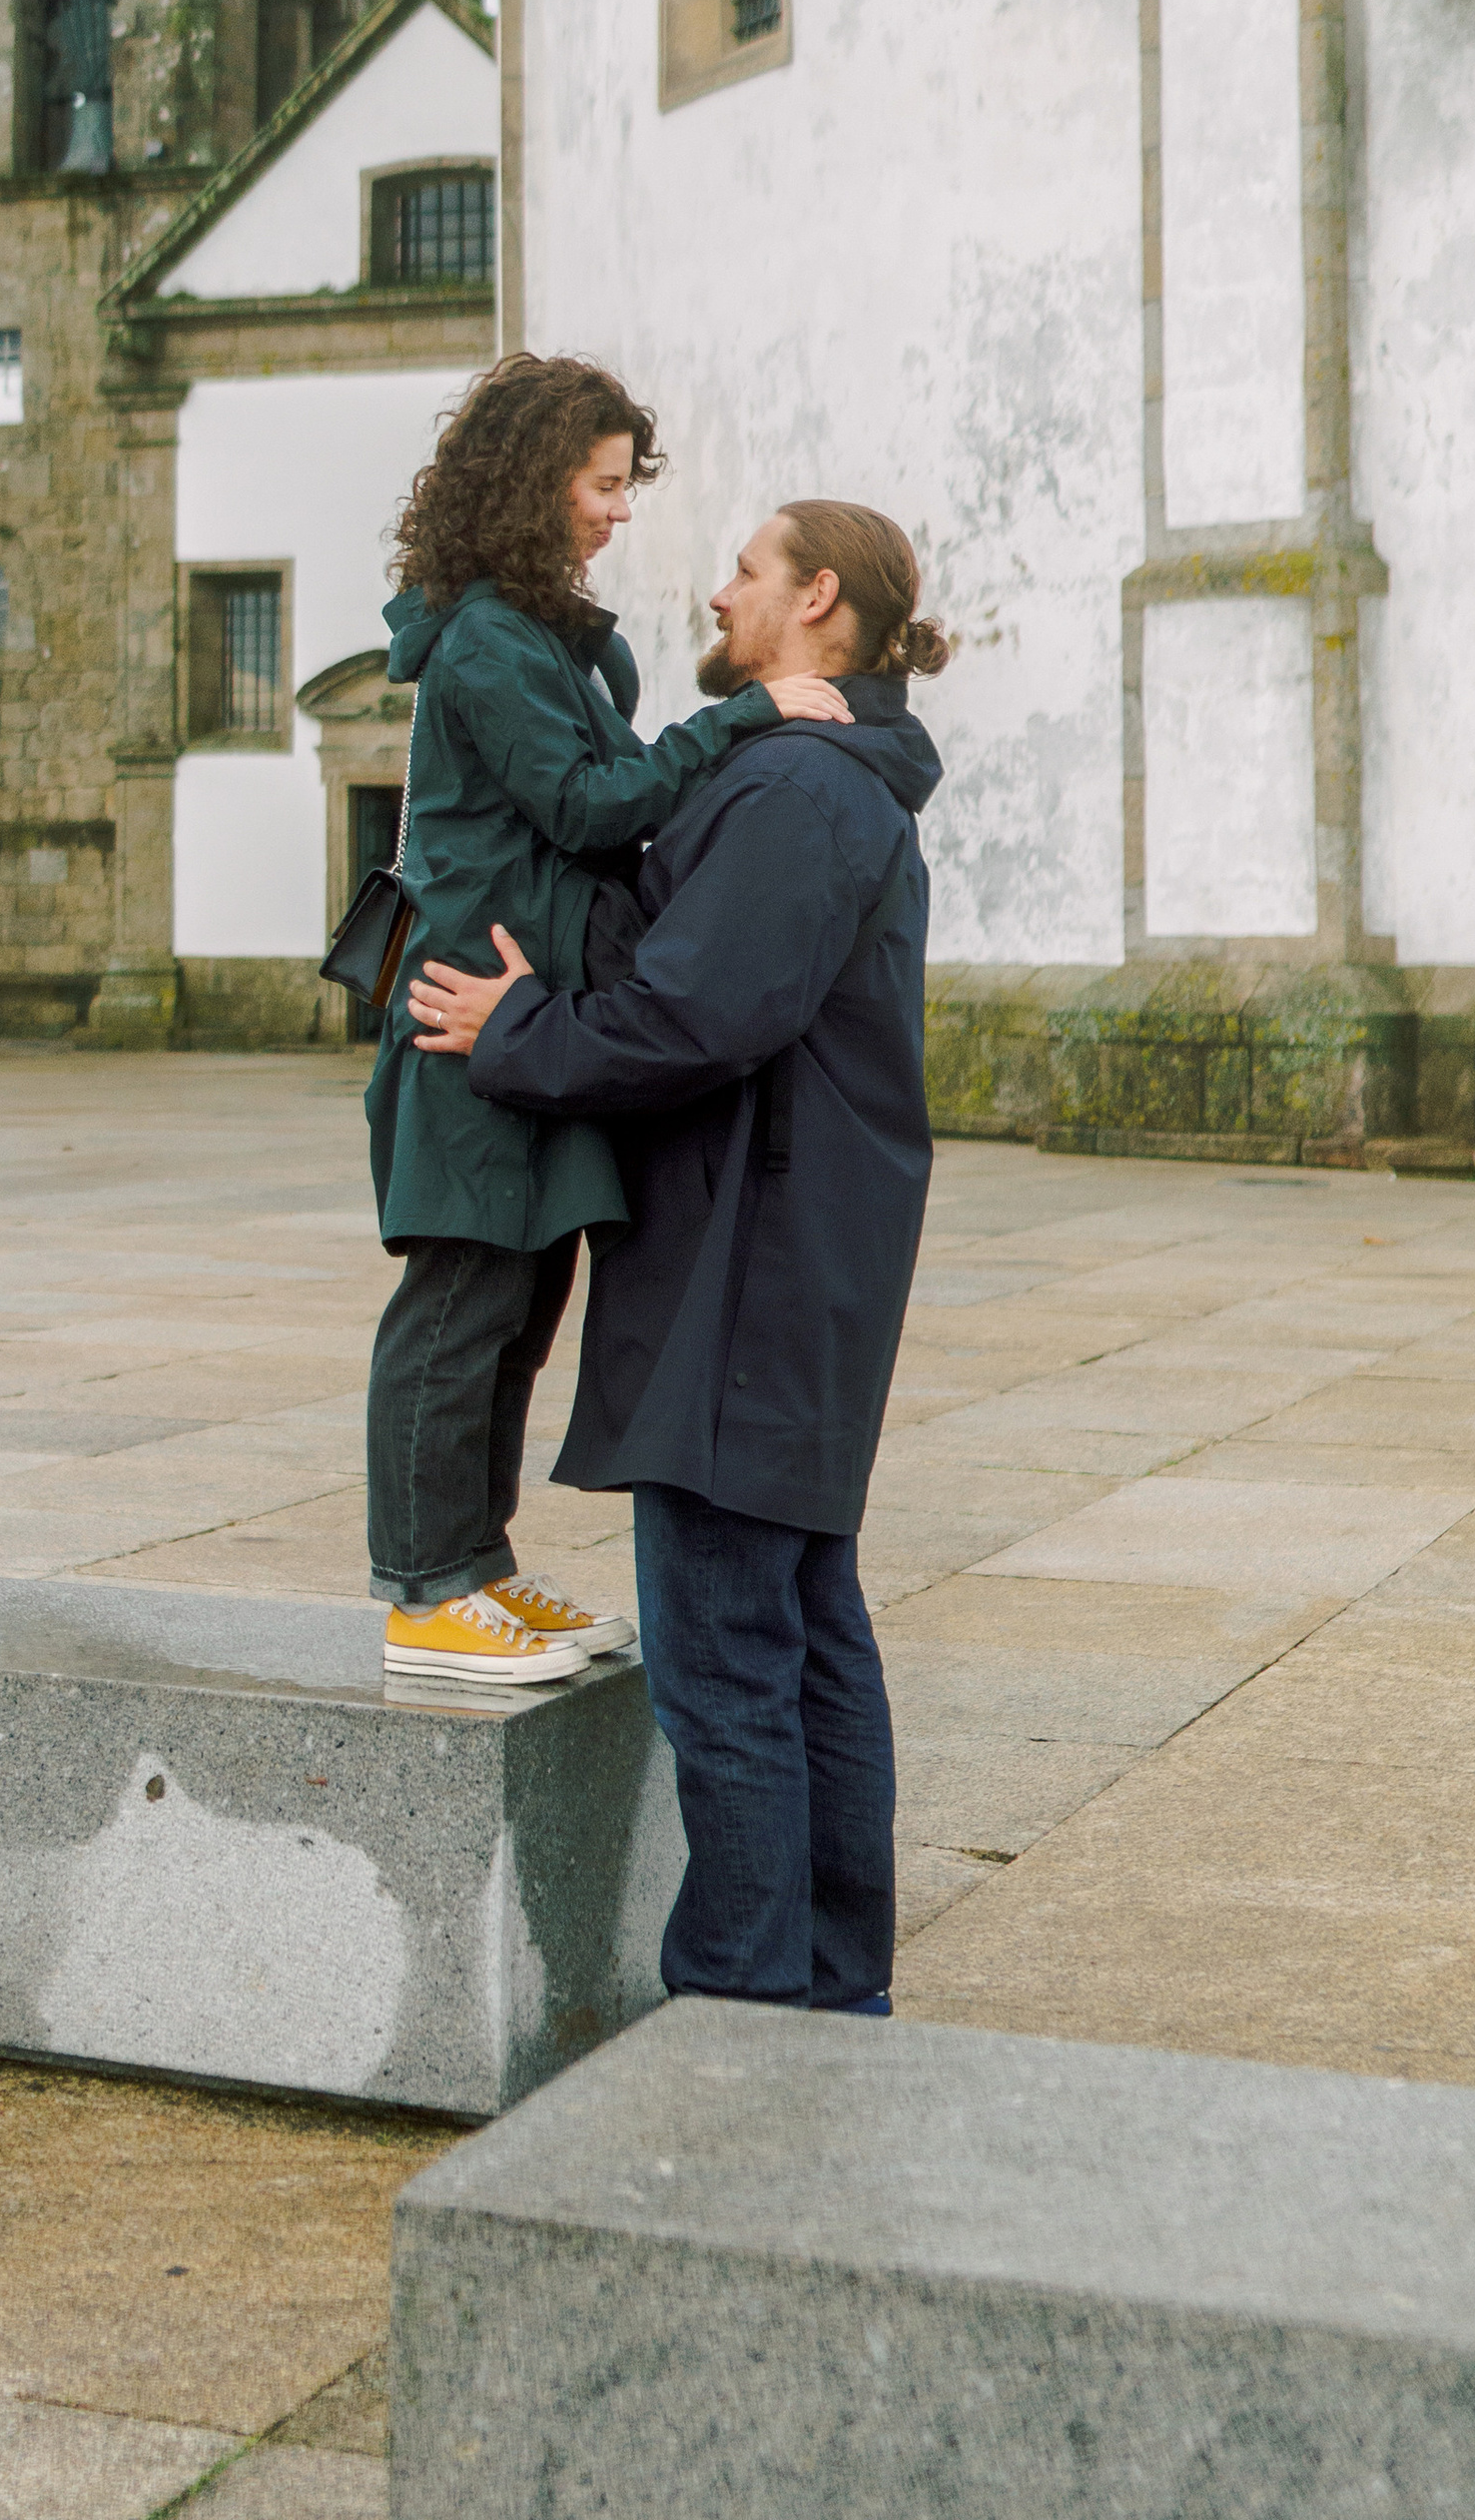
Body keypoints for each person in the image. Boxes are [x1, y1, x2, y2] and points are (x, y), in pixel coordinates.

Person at [407, 499, 946, 2011]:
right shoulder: (818, 779)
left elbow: (698, 1019)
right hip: (785, 1263)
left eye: (746, 571)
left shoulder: (797, 793)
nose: (717, 592)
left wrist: (517, 1033)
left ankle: (745, 2009)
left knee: (727, 1664)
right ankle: (828, 1990)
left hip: (748, 1276)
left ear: (817, 600)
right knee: (803, 1630)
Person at [364, 358, 852, 1689]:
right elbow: (589, 804)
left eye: (625, 483)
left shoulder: (534, 634)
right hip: (473, 1017)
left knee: (520, 1303)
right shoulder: (484, 641)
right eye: (600, 483)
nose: (620, 509)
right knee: (459, 1303)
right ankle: (421, 1589)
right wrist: (743, 716)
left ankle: (473, 1564)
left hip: (527, 1013)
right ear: (536, 485)